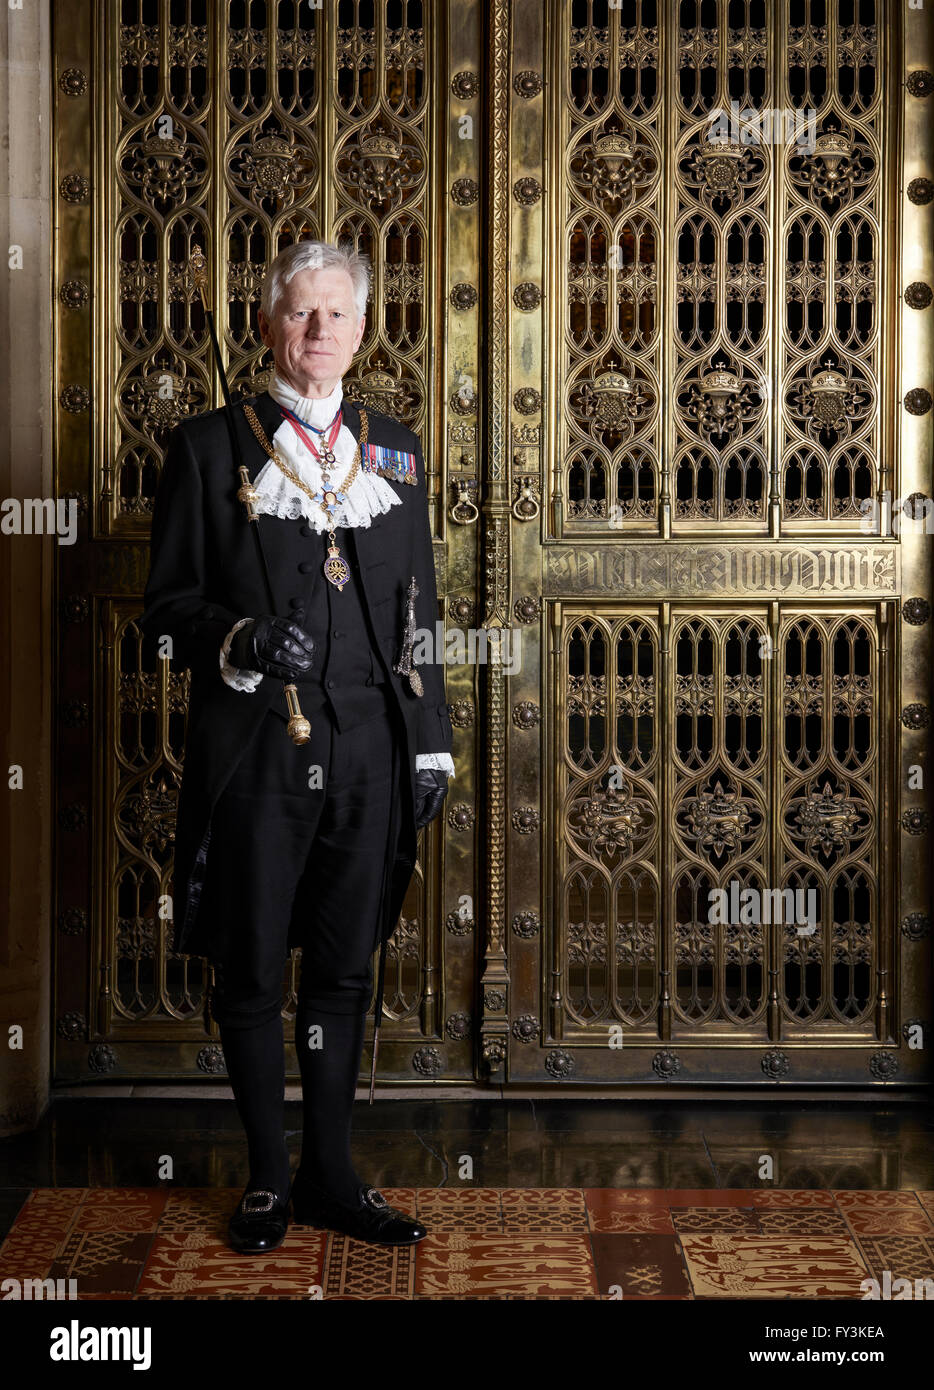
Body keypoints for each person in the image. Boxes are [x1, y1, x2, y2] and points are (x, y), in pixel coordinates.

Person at [141, 239, 454, 1251]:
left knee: (342, 969)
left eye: (337, 314)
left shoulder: (394, 447)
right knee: (248, 970)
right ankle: (268, 1181)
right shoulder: (205, 448)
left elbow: (420, 607)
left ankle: (331, 1176)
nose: (319, 330)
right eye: (300, 312)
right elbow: (164, 610)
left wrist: (431, 740)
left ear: (361, 330)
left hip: (371, 747)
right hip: (258, 755)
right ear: (270, 322)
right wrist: (236, 638)